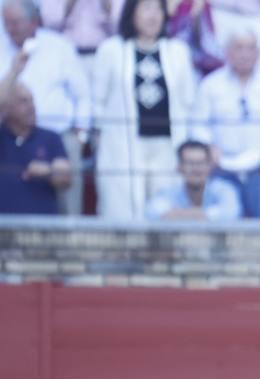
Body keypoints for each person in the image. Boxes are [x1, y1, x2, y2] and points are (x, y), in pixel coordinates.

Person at [90, 0, 195, 219]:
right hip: (122, 146)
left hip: (167, 146)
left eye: (158, 9)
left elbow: (188, 101)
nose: (153, 15)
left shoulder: (178, 51)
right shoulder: (111, 50)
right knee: (122, 209)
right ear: (132, 13)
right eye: (146, 8)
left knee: (165, 211)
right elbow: (97, 101)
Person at [190, 28, 260, 217]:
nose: (245, 54)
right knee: (222, 222)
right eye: (239, 48)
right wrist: (209, 147)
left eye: (251, 48)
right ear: (227, 52)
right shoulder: (211, 85)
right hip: (223, 168)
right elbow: (198, 125)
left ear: (258, 53)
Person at [1, 0, 90, 213]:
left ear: (33, 21)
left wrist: (81, 136)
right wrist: (14, 70)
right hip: (10, 138)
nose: (10, 28)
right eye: (6, 23)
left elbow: (83, 94)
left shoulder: (58, 46)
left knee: (69, 208)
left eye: (15, 22)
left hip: (59, 137)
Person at [0, 78, 70, 212]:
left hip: (42, 224)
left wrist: (49, 171)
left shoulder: (51, 138)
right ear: (6, 108)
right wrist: (15, 70)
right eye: (23, 101)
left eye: (32, 100)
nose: (31, 107)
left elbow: (66, 178)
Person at [145, 137, 240, 218]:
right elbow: (152, 212)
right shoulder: (169, 192)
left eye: (201, 163)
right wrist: (204, 215)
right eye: (190, 163)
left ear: (210, 166)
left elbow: (230, 213)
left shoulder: (224, 189)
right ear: (179, 167)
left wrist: (178, 215)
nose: (196, 169)